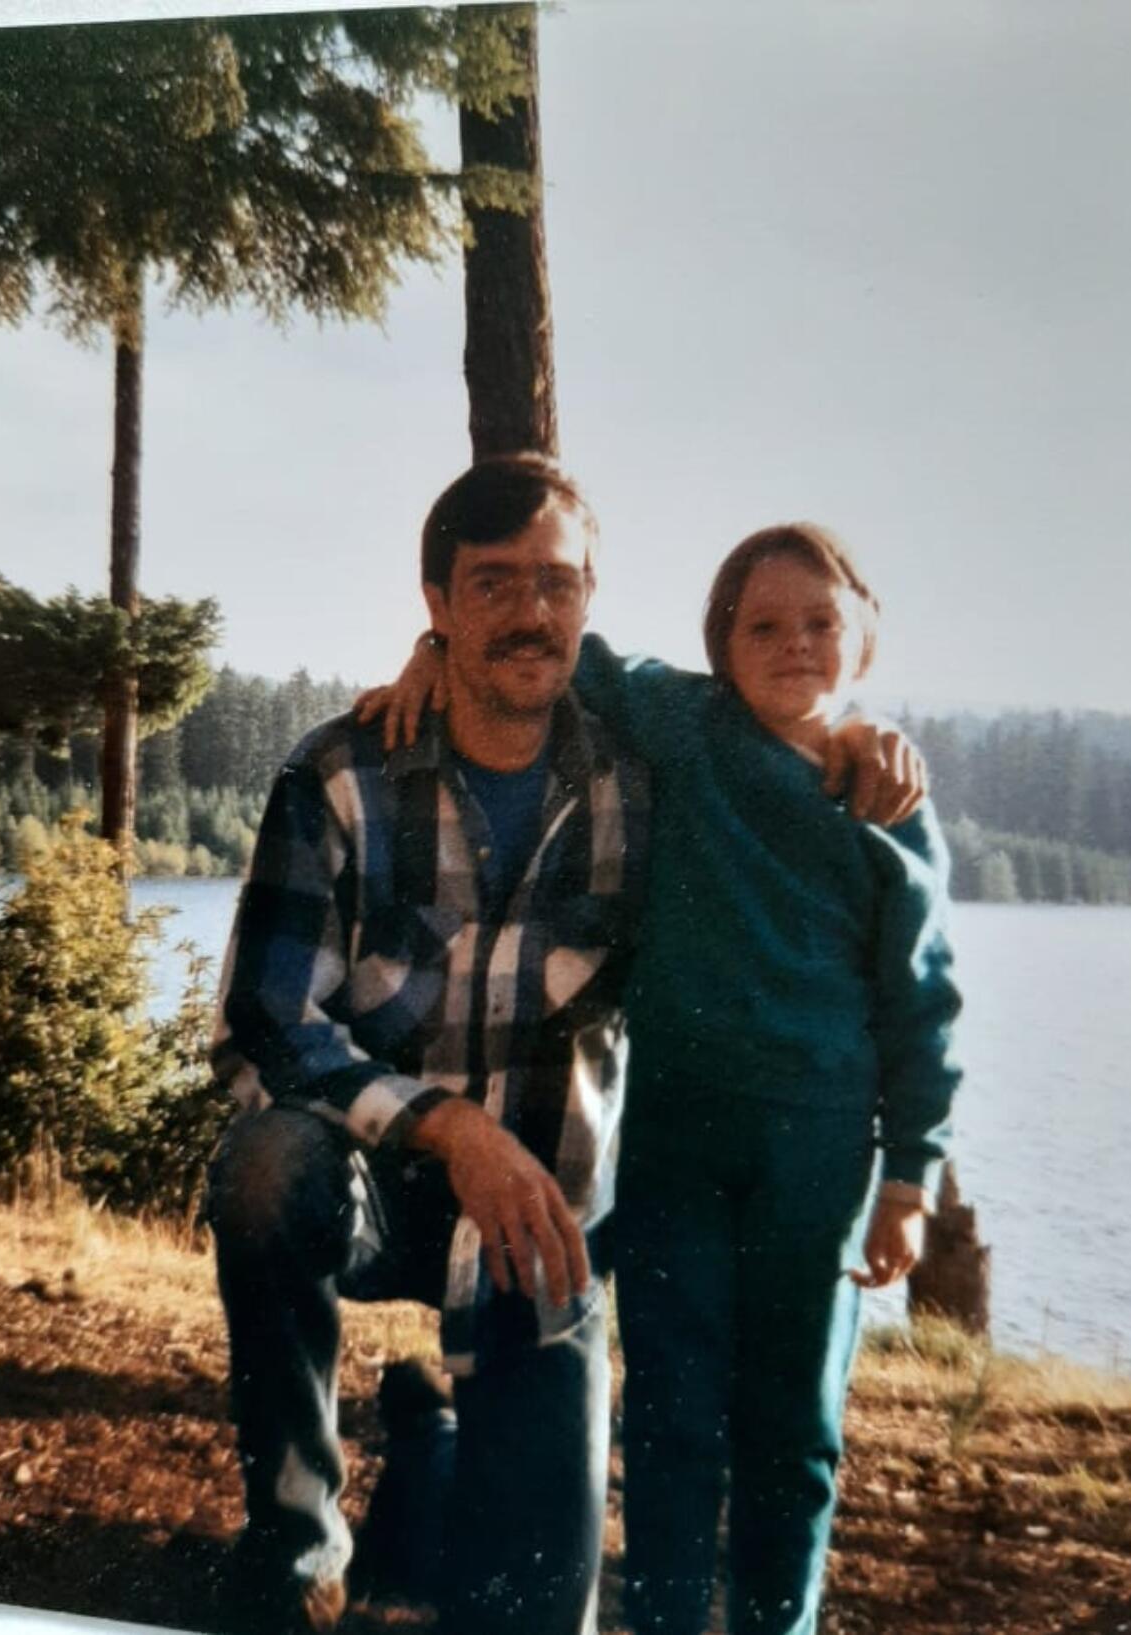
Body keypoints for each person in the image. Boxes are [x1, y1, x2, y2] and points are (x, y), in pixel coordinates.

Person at [211, 455, 922, 1635]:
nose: (529, 613)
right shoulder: (338, 775)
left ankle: (428, 1446)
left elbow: (774, 744)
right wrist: (448, 1131)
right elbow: (267, 1020)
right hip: (372, 1186)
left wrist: (855, 738)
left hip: (541, 1221)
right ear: (433, 605)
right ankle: (294, 1548)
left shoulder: (650, 784)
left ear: (589, 600)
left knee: (536, 1607)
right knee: (266, 1169)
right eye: (491, 585)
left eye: (556, 583)